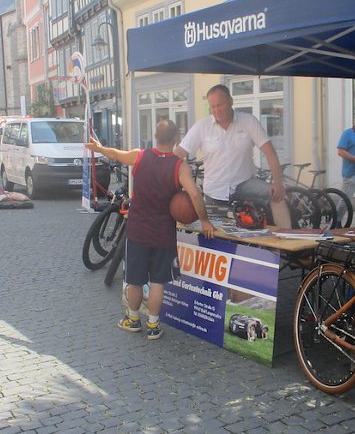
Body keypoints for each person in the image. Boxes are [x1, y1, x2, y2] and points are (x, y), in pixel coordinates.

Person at [85, 120, 215, 340]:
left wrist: (99, 149)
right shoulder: (179, 165)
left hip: (137, 231)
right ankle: (154, 326)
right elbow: (194, 194)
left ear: (155, 136)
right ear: (176, 139)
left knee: (134, 280)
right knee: (157, 282)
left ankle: (133, 320)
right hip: (163, 232)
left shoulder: (140, 156)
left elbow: (117, 154)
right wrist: (204, 221)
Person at [175, 84, 290, 228]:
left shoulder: (248, 121)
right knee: (218, 237)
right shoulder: (202, 127)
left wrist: (278, 182)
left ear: (230, 101)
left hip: (244, 184)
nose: (216, 110)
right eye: (213, 106)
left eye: (220, 105)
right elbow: (179, 154)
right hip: (215, 191)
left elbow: (270, 152)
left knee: (277, 196)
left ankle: (287, 243)